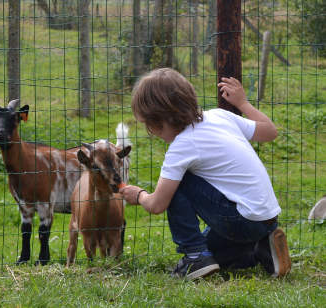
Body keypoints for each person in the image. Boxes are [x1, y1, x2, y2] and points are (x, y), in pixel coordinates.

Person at [120, 68, 291, 280]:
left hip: (242, 221)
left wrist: (139, 195)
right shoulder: (220, 116)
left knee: (177, 183)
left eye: (148, 125)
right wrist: (242, 103)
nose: (151, 132)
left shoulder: (182, 146)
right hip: (266, 218)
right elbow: (270, 131)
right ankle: (261, 248)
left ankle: (194, 255)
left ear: (158, 121)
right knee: (214, 257)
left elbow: (157, 204)